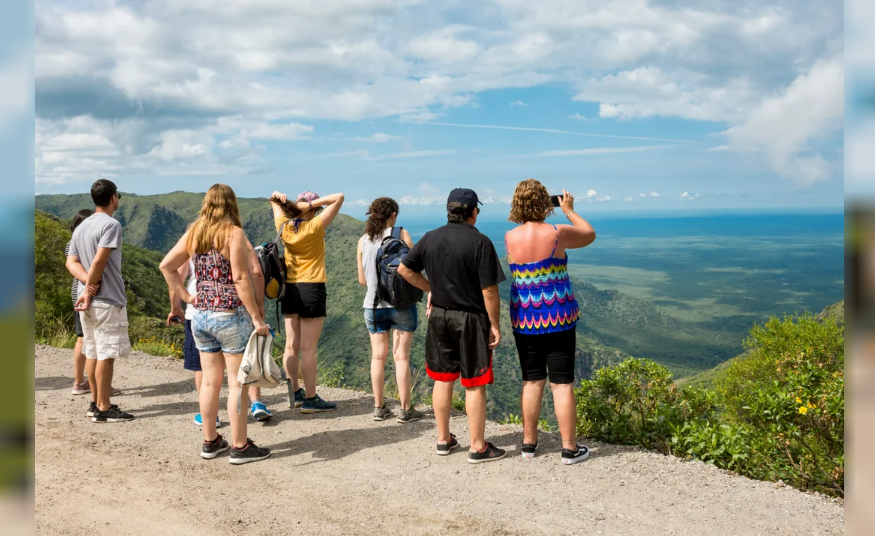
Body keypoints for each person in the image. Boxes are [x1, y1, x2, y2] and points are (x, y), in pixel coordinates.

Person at [160, 184, 272, 464]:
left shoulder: (196, 231)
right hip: (230, 314)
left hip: (200, 316)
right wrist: (257, 319)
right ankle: (240, 447)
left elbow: (166, 265)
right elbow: (241, 278)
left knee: (209, 381)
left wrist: (186, 296)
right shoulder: (233, 233)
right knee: (238, 384)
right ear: (231, 204)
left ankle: (211, 441)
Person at [398, 188, 507, 464]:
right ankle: (478, 446)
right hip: (470, 319)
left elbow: (404, 269)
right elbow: (489, 291)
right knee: (474, 382)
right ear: (473, 212)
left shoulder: (431, 238)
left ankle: (443, 439)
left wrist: (430, 288)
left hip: (439, 317)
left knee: (442, 378)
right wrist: (494, 324)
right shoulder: (480, 242)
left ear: (449, 211)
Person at [505, 179, 596, 464]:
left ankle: (529, 444)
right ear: (546, 203)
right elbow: (590, 234)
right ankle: (569, 448)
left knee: (532, 381)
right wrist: (568, 210)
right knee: (562, 384)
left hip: (525, 318)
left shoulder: (509, 237)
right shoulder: (558, 232)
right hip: (558, 317)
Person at [167, 257, 272, 425]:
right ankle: (256, 403)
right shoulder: (235, 237)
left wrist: (176, 307)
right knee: (244, 365)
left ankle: (209, 417)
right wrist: (258, 305)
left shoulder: (193, 240)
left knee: (204, 369)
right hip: (234, 310)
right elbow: (256, 272)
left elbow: (176, 274)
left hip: (198, 312)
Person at [269, 190, 344, 414]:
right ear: (313, 209)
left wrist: (285, 202)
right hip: (312, 287)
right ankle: (311, 398)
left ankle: (294, 393)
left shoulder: (283, 225)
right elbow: (339, 197)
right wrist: (311, 205)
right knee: (309, 348)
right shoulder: (315, 226)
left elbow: (273, 201)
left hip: (289, 288)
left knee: (291, 346)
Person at [67, 180, 134, 423]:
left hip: (88, 302)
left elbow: (71, 262)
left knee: (93, 351)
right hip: (107, 299)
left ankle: (95, 403)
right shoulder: (111, 224)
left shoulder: (81, 227)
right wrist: (92, 286)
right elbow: (99, 260)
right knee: (106, 354)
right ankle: (104, 407)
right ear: (114, 197)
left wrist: (86, 286)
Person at [356, 197, 424, 423]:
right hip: (401, 305)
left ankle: (379, 408)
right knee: (401, 357)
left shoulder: (363, 240)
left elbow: (362, 281)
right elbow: (411, 271)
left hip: (372, 306)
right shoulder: (401, 235)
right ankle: (406, 410)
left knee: (378, 357)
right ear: (393, 215)